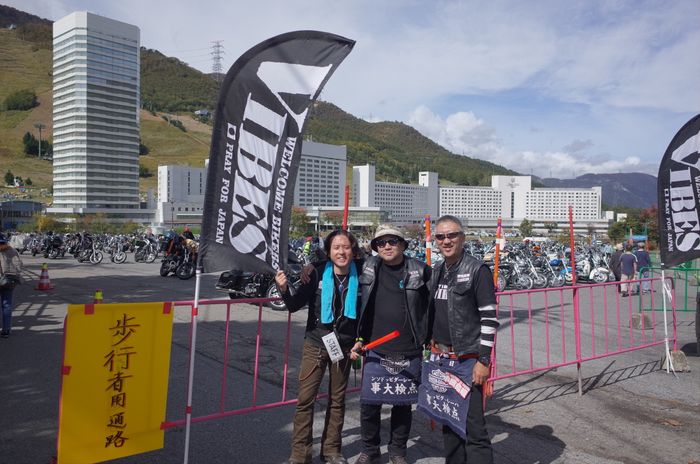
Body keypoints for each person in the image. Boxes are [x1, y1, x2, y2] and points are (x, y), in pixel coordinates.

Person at [275, 230, 363, 464]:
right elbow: (294, 305)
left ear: (353, 250)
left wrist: (360, 339)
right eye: (336, 247)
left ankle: (331, 451)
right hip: (315, 344)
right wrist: (283, 289)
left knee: (337, 400)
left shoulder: (363, 274)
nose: (341, 252)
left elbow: (367, 312)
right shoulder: (315, 273)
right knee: (305, 401)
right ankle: (300, 454)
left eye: (346, 247)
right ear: (329, 252)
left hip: (345, 348)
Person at [419, 215, 499, 464]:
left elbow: (489, 319)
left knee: (474, 428)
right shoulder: (437, 271)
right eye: (440, 236)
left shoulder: (477, 270)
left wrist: (483, 360)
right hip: (441, 358)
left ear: (462, 238)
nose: (446, 241)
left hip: (467, 359)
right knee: (450, 422)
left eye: (452, 235)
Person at [354, 226, 432, 464]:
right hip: (375, 346)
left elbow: (434, 304)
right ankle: (370, 449)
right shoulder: (367, 266)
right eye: (380, 243)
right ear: (375, 248)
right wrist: (311, 267)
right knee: (369, 404)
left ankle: (398, 451)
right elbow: (338, 262)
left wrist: (431, 338)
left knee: (402, 405)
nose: (386, 246)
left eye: (392, 241)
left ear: (402, 244)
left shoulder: (421, 270)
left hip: (409, 346)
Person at [0, 233, 23, 338]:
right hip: (10, 280)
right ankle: (6, 330)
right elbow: (19, 265)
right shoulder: (13, 251)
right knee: (7, 305)